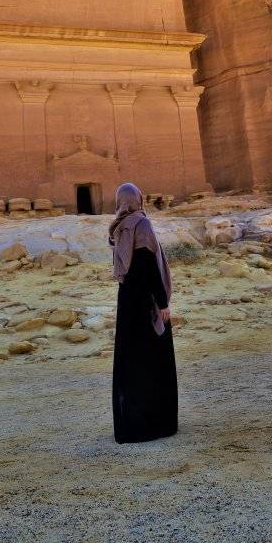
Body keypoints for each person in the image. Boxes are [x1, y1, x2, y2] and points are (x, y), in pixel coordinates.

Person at [109, 182, 178, 443]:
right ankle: (155, 424)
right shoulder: (141, 224)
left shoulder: (117, 227)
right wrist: (162, 304)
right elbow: (148, 267)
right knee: (153, 361)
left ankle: (130, 426)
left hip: (127, 301)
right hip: (146, 301)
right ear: (138, 199)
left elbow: (127, 269)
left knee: (130, 362)